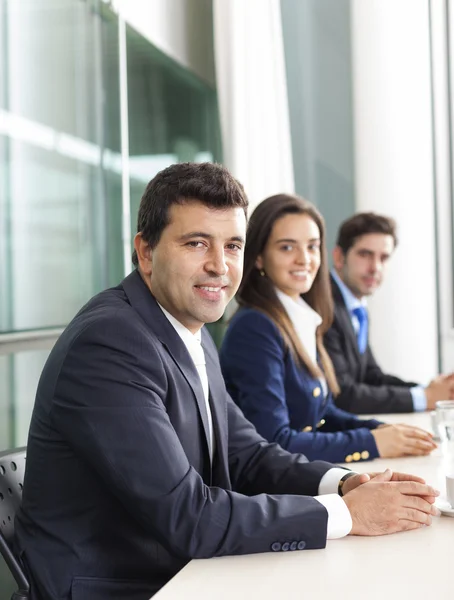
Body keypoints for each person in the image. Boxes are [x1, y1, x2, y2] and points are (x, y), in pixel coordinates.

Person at [15, 164, 439, 600]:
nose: (219, 265)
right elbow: (189, 516)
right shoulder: (111, 343)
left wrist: (345, 484)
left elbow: (248, 455)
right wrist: (346, 515)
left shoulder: (188, 330)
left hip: (181, 570)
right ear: (145, 253)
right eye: (197, 243)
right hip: (125, 587)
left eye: (232, 245)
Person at [220, 194, 436, 464]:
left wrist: (379, 429)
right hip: (274, 490)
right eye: (287, 248)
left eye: (312, 247)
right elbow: (275, 440)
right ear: (260, 258)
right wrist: (372, 442)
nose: (304, 259)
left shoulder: (301, 316)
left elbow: (322, 414)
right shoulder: (255, 327)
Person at [324, 212, 454, 414]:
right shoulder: (323, 304)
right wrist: (426, 397)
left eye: (383, 257)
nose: (375, 267)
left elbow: (371, 376)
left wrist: (429, 391)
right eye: (365, 254)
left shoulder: (355, 305)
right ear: (339, 257)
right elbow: (342, 394)